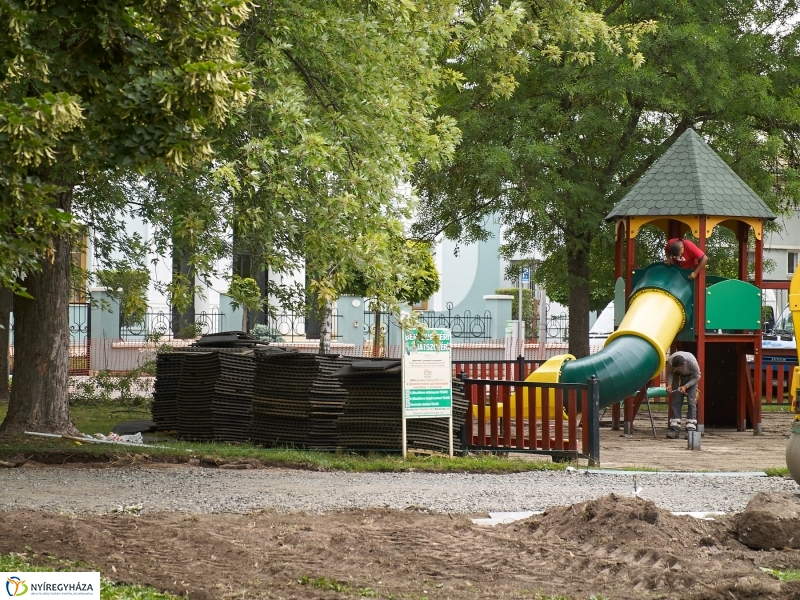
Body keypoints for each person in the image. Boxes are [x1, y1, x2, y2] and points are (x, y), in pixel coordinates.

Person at [665, 351, 701, 439]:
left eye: (678, 368)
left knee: (691, 402)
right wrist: (669, 384)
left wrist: (686, 386)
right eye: (675, 368)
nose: (676, 369)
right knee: (676, 401)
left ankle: (690, 431)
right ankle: (674, 430)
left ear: (684, 363)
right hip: (678, 377)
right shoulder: (670, 360)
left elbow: (697, 376)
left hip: (692, 378)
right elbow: (670, 372)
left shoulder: (691, 362)